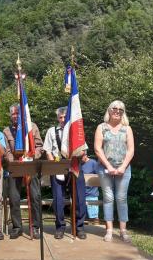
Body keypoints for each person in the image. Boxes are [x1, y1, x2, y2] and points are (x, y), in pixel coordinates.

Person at [43, 107, 87, 239]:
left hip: (74, 165)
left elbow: (84, 152)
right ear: (57, 118)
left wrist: (81, 155)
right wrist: (53, 165)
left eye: (65, 117)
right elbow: (48, 151)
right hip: (58, 166)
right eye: (60, 117)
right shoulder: (51, 131)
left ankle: (79, 227)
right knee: (58, 199)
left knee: (80, 198)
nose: (63, 120)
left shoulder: (77, 130)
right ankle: (60, 227)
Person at [94, 100, 134, 242]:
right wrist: (109, 167)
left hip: (124, 168)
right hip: (105, 168)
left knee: (121, 198)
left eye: (121, 110)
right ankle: (109, 230)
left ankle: (123, 230)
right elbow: (98, 149)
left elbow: (131, 150)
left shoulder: (127, 128)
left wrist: (122, 167)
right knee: (108, 198)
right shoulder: (101, 127)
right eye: (114, 108)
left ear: (123, 113)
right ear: (109, 110)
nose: (117, 111)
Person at [2, 103, 44, 239]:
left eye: (17, 114)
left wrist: (31, 157)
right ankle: (17, 227)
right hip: (15, 167)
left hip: (30, 166)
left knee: (35, 196)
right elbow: (7, 151)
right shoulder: (6, 131)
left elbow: (39, 146)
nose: (15, 116)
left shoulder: (32, 127)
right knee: (14, 198)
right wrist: (13, 162)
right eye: (13, 114)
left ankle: (35, 227)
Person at [81, 152, 100, 225]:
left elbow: (98, 177)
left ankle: (96, 228)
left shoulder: (93, 163)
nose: (80, 159)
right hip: (81, 194)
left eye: (81, 157)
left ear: (85, 155)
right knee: (83, 217)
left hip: (92, 194)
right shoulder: (79, 164)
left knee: (94, 217)